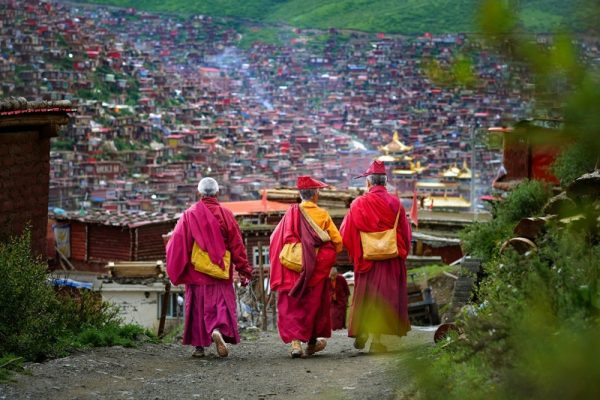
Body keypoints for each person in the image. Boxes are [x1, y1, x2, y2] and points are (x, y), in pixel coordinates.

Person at [166, 177, 253, 358]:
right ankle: (217, 330)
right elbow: (237, 246)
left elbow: (178, 245)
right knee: (220, 305)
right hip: (219, 271)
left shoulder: (189, 215)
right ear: (217, 193)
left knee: (197, 308)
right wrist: (244, 270)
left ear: (199, 193)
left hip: (196, 272)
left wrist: (177, 270)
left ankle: (199, 347)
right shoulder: (225, 214)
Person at [340, 161, 412, 353]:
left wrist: (356, 251)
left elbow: (346, 233)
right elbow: (405, 233)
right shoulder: (396, 203)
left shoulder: (358, 203)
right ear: (385, 183)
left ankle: (363, 330)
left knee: (366, 296)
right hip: (390, 259)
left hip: (367, 259)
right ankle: (377, 340)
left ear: (369, 183)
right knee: (384, 298)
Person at [269, 176, 343, 358]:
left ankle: (295, 344)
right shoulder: (322, 215)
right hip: (315, 270)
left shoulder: (290, 214)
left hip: (293, 265)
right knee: (314, 305)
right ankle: (311, 342)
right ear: (316, 194)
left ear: (299, 194)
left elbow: (275, 239)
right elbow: (338, 242)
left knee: (292, 304)